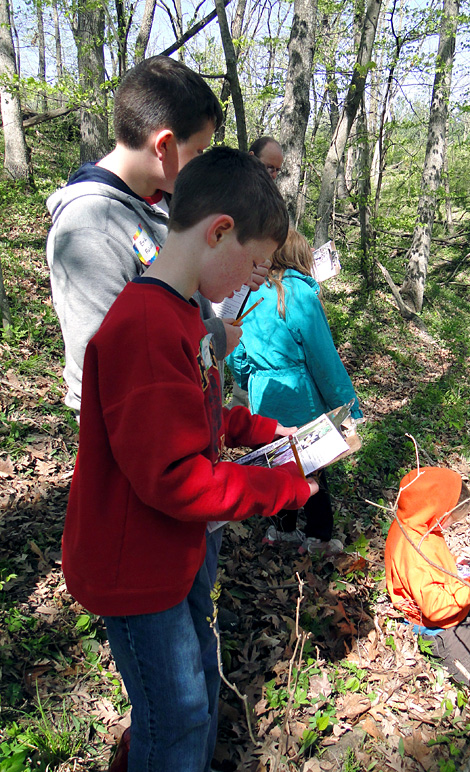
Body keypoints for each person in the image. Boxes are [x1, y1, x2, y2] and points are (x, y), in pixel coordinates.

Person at [62, 147, 319, 772]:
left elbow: (192, 413)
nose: (250, 285)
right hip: (136, 567)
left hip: (168, 557)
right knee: (173, 717)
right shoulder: (147, 325)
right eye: (254, 267)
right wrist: (281, 490)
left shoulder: (181, 313)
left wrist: (260, 428)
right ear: (219, 231)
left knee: (197, 685)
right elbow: (175, 478)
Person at [46, 55, 268, 419]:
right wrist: (210, 339)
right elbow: (109, 362)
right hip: (139, 437)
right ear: (164, 145)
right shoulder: (90, 225)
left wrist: (237, 269)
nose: (199, 161)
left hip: (186, 410)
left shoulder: (168, 202)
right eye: (197, 150)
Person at [227, 228, 363, 555]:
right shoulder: (297, 293)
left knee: (279, 461)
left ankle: (282, 530)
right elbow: (323, 358)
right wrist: (347, 407)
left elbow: (235, 351)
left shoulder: (249, 293)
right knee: (311, 463)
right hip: (299, 393)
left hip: (264, 393)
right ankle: (319, 537)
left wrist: (251, 379)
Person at [384, 467, 470, 695]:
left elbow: (432, 570)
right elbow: (436, 609)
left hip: (446, 607)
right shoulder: (416, 548)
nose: (449, 527)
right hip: (436, 629)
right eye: (451, 521)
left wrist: (458, 563)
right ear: (439, 512)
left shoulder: (415, 523)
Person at [227, 136, 285, 411]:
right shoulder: (231, 196)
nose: (272, 174)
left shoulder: (269, 201)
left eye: (277, 170)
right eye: (268, 167)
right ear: (252, 158)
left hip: (250, 296)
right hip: (223, 300)